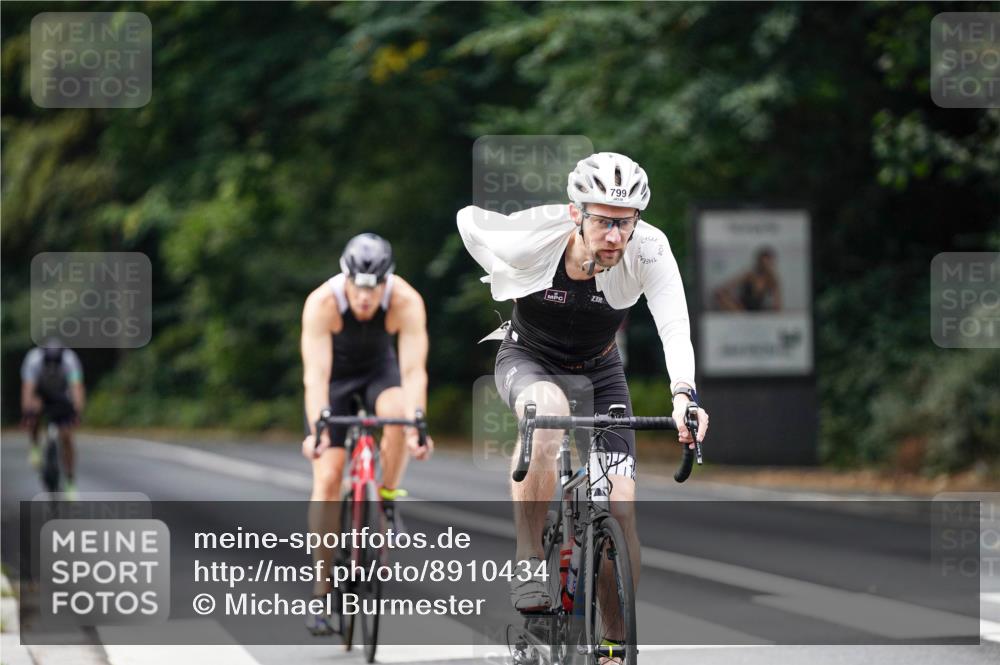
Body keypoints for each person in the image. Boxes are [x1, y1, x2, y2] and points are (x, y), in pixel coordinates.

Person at [457, 152, 709, 649]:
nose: (615, 236)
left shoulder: (650, 249)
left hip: (600, 369)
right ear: (577, 213)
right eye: (602, 222)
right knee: (546, 415)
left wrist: (684, 396)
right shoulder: (535, 236)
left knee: (621, 506)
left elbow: (674, 325)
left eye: (625, 222)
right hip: (528, 357)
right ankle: (530, 559)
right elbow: (469, 220)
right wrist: (497, 266)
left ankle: (615, 646)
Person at [299, 232, 434, 635]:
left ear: (387, 283)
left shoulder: (406, 301)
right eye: (358, 289)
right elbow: (315, 376)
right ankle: (322, 595)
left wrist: (418, 424)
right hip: (334, 381)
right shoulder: (321, 304)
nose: (364, 299)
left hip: (380, 372)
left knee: (396, 414)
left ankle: (387, 499)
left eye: (373, 292)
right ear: (346, 279)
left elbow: (413, 372)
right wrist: (319, 428)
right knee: (327, 476)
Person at [20, 338, 85, 499]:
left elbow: (77, 387)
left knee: (67, 436)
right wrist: (27, 412)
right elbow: (28, 388)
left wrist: (76, 411)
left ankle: (70, 480)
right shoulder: (33, 359)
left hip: (62, 394)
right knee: (33, 411)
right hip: (41, 393)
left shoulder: (70, 359)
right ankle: (35, 445)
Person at [712, 246, 782, 312]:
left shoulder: (772, 279)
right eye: (763, 263)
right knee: (720, 295)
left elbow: (777, 304)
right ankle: (741, 317)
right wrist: (733, 300)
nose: (765, 266)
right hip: (741, 309)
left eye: (768, 263)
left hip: (758, 310)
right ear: (759, 262)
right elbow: (727, 286)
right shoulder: (750, 275)